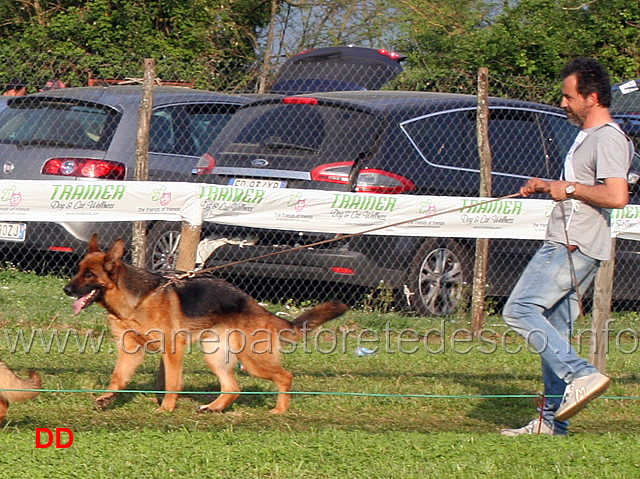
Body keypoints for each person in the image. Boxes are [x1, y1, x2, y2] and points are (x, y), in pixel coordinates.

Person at [500, 57, 634, 436]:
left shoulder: (608, 137)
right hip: (572, 240)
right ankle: (551, 423)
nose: (562, 104)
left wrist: (568, 188)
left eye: (568, 97)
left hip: (573, 245)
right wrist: (547, 185)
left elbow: (617, 196)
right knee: (554, 330)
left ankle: (582, 374)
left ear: (591, 97)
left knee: (519, 309)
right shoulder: (587, 135)